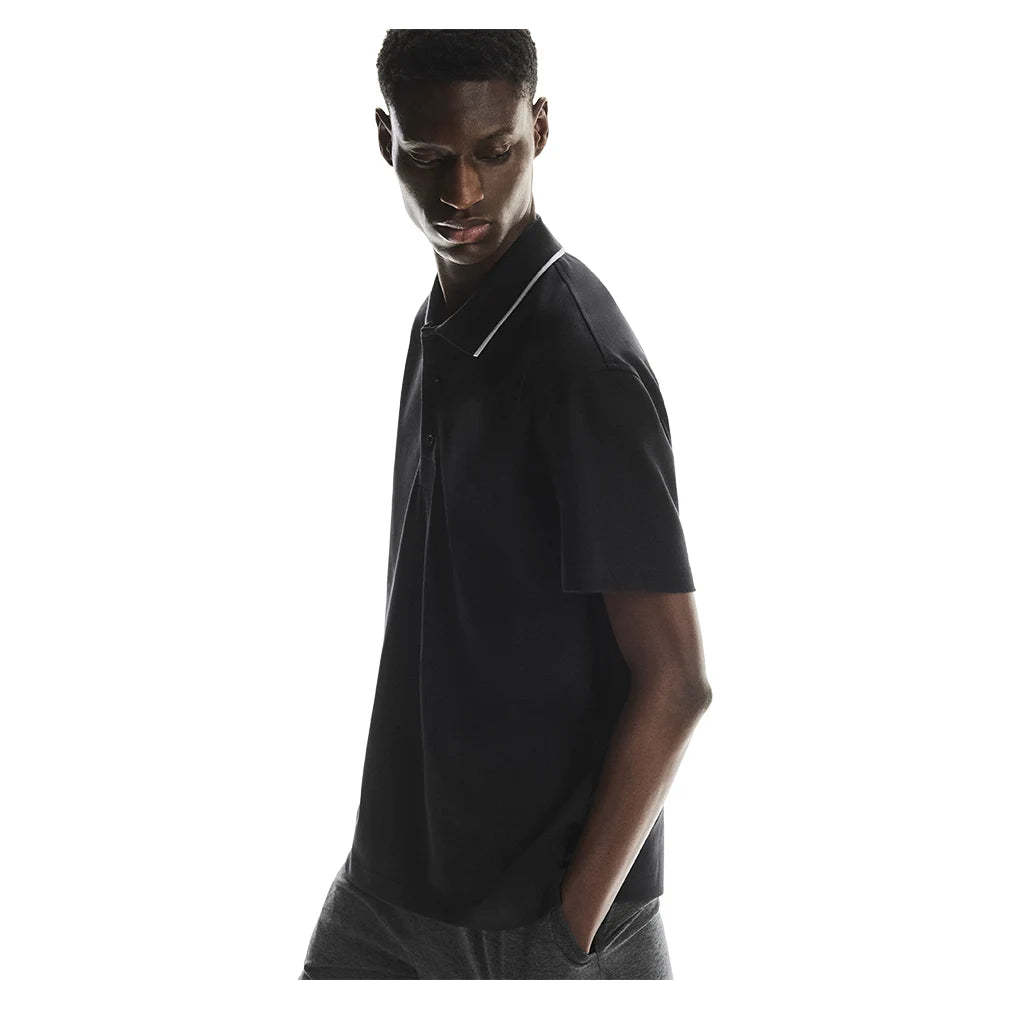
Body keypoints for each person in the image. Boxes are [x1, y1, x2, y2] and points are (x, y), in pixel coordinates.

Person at [298, 28, 712, 980]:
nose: (462, 193)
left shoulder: (581, 364)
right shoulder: (443, 319)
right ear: (385, 141)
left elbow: (677, 680)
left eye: (494, 152)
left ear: (540, 129)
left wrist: (561, 937)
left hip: (539, 922)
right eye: (429, 156)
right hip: (393, 888)